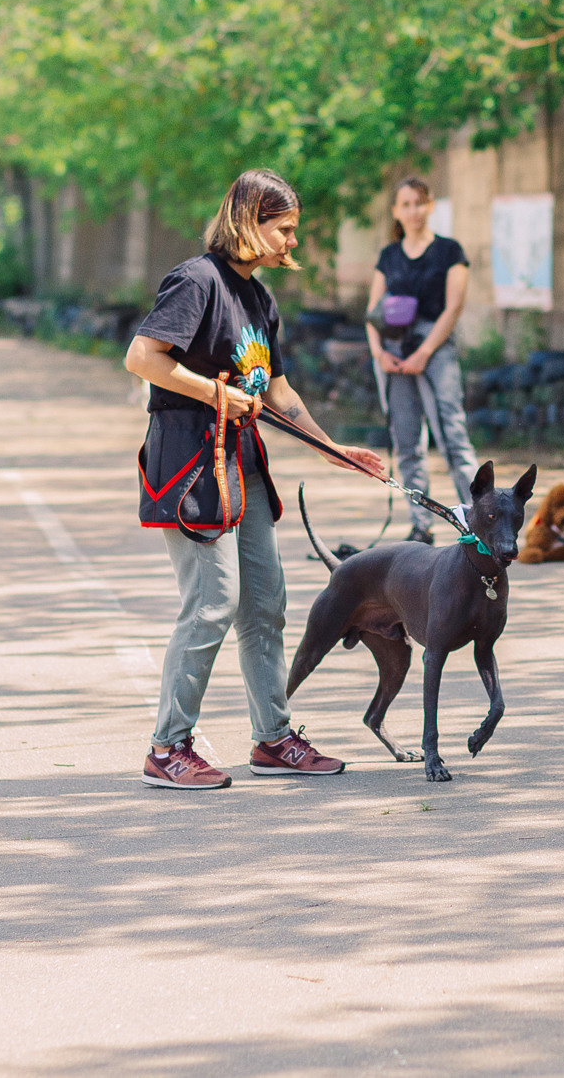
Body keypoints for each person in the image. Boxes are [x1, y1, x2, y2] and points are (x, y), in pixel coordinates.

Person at [125, 169, 386, 790]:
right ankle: (168, 748)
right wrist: (214, 392)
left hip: (243, 466)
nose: (291, 243)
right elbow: (143, 358)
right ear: (250, 220)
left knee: (266, 606)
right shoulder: (197, 282)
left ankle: (273, 739)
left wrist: (329, 449)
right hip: (192, 466)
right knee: (212, 604)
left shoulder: (258, 299)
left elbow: (275, 388)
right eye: (284, 230)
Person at [366, 176, 479, 545]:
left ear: (430, 206)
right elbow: (373, 311)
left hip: (434, 348)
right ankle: (421, 522)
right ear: (396, 211)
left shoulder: (449, 251)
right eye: (406, 204)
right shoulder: (389, 255)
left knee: (452, 435)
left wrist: (424, 352)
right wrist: (380, 353)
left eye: (419, 203)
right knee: (407, 441)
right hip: (394, 350)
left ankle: (477, 517)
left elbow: (454, 307)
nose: (414, 211)